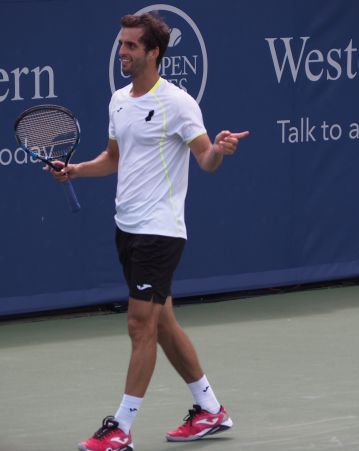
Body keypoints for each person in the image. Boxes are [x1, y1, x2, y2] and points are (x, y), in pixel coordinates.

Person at [51, 12, 248, 451]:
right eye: (120, 44)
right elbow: (113, 157)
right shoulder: (118, 100)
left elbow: (205, 160)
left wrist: (219, 149)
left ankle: (120, 429)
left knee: (140, 325)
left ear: (153, 52)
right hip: (127, 227)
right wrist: (76, 169)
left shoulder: (177, 103)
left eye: (131, 46)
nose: (122, 52)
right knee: (162, 324)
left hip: (160, 230)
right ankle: (210, 409)